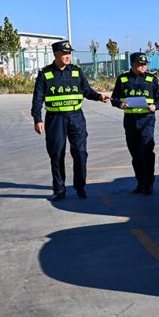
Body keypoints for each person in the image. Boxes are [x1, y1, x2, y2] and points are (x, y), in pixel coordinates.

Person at [31, 40, 110, 201]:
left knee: (80, 153)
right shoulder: (45, 74)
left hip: (76, 118)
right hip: (55, 119)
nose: (68, 56)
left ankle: (80, 186)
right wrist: (37, 119)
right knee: (57, 154)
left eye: (69, 54)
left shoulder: (76, 72)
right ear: (56, 55)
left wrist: (99, 97)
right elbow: (37, 99)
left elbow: (86, 91)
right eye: (64, 54)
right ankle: (59, 190)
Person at [111, 52, 159, 195]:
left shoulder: (151, 79)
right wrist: (119, 104)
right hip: (130, 121)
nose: (143, 66)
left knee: (146, 152)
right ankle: (140, 182)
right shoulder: (123, 79)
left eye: (145, 64)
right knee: (135, 153)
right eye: (140, 64)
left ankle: (149, 184)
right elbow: (115, 98)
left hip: (146, 120)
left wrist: (156, 106)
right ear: (132, 64)